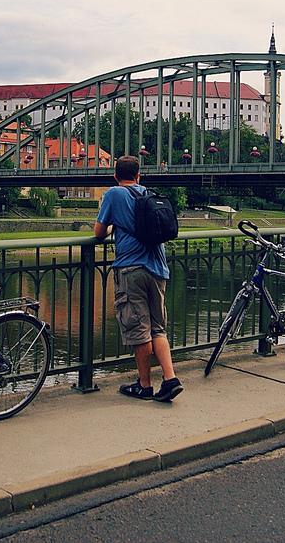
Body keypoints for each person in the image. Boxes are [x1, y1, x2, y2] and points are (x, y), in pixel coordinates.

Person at [94, 155, 183, 402]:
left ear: (115, 175)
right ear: (138, 175)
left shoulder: (114, 194)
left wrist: (113, 226)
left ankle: (144, 385)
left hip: (131, 270)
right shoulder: (147, 193)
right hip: (158, 269)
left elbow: (98, 232)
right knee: (158, 328)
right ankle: (170, 378)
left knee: (139, 329)